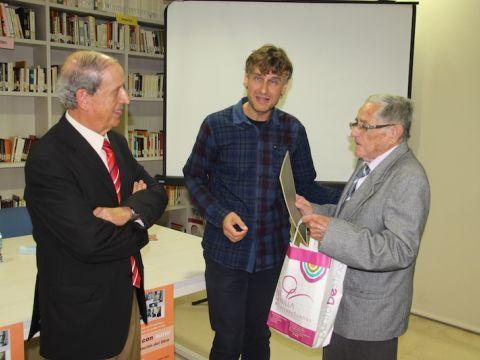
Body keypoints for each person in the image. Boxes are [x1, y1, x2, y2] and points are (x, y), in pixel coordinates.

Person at [183, 44, 340, 359]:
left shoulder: (292, 130)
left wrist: (354, 197)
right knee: (227, 340)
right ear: (245, 79)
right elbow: (194, 177)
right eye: (258, 78)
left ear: (284, 87)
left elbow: (306, 185)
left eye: (274, 81)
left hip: (271, 256)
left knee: (258, 337)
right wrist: (220, 214)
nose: (264, 89)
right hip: (225, 254)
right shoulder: (216, 125)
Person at [25, 50, 168, 360]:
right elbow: (91, 241)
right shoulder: (48, 159)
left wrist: (127, 211)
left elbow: (158, 192)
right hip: (83, 319)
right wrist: (141, 226)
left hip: (126, 297)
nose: (127, 99)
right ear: (84, 98)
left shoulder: (116, 142)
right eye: (117, 90)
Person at [296, 94, 430, 360]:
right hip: (342, 304)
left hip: (370, 318)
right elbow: (352, 216)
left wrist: (331, 232)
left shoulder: (409, 178)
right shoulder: (368, 163)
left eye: (364, 126)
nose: (354, 133)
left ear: (394, 132)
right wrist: (316, 211)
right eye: (355, 124)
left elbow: (400, 248)